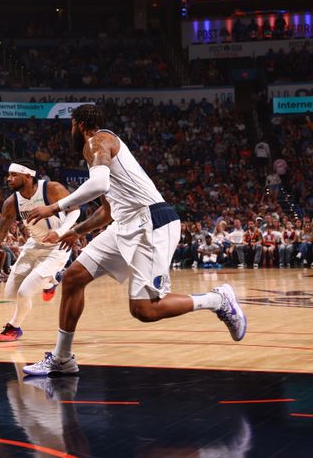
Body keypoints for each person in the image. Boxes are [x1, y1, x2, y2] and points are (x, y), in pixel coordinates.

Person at [21, 104, 246, 377]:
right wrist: (77, 230)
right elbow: (107, 210)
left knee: (144, 310)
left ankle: (217, 300)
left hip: (150, 221)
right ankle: (62, 358)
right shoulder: (100, 152)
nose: (70, 130)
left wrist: (55, 208)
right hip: (126, 224)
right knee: (73, 277)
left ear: (79, 124)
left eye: (70, 124)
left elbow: (99, 186)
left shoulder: (96, 141)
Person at [0, 159, 79, 342]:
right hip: (34, 244)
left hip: (57, 247)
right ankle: (51, 281)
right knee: (11, 293)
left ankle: (14, 327)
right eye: (9, 175)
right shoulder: (11, 203)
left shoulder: (51, 188)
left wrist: (60, 232)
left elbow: (75, 210)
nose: (8, 179)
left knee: (24, 292)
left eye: (14, 175)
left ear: (28, 176)